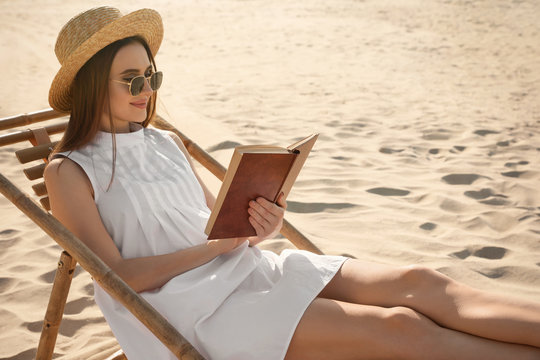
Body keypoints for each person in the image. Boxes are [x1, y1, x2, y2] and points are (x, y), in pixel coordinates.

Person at [43, 6, 540, 360]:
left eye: (153, 76)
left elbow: (224, 228)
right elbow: (117, 277)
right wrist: (219, 249)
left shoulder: (164, 144)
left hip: (247, 272)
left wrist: (261, 223)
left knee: (419, 282)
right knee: (400, 329)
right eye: (132, 80)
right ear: (91, 85)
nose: (147, 91)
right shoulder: (69, 171)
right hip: (192, 313)